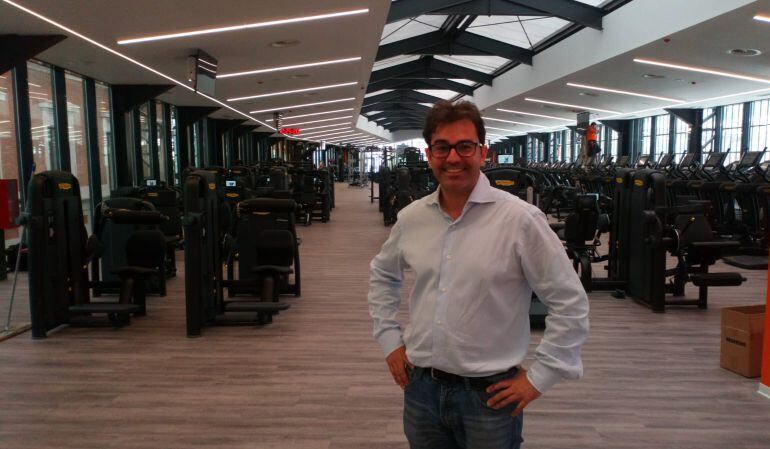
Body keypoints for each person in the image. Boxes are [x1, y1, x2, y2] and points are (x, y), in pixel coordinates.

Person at [367, 100, 589, 449]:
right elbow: (383, 274)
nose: (453, 157)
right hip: (421, 390)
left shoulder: (521, 220)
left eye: (465, 146)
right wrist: (389, 341)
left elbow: (570, 301)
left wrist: (540, 377)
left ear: (483, 152)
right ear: (429, 154)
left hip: (490, 398)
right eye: (442, 147)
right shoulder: (412, 218)